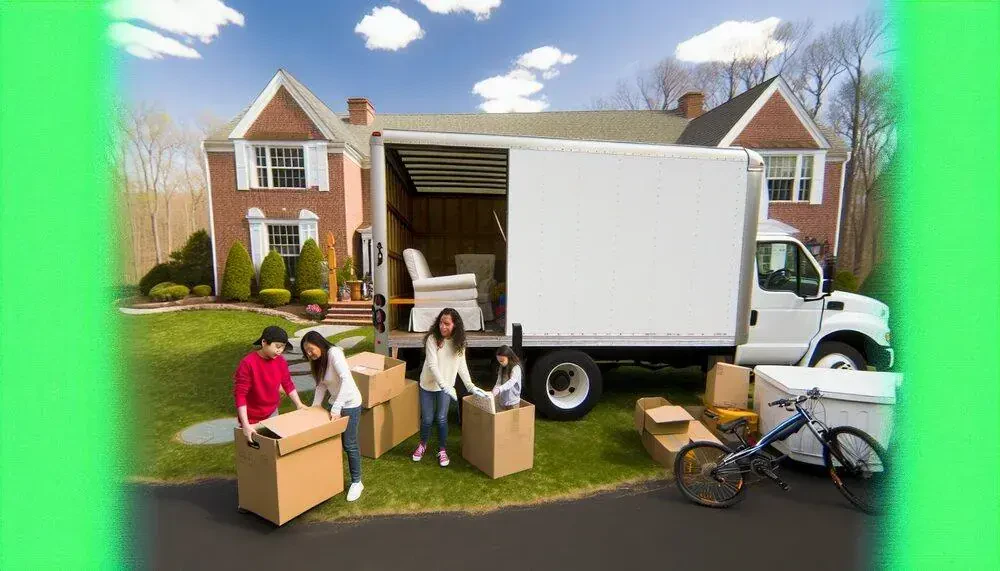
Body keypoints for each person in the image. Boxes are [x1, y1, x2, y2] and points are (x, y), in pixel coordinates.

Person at [412, 308, 487, 467]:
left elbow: (462, 366)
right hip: (428, 385)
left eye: (446, 323)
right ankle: (422, 444)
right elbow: (432, 365)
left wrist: (470, 386)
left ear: (455, 325)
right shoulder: (433, 339)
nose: (442, 327)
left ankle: (442, 449)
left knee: (441, 418)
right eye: (440, 322)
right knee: (427, 419)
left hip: (446, 388)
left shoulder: (459, 343)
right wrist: (444, 385)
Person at [300, 330, 365, 502]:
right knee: (333, 443)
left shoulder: (334, 353)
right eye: (306, 351)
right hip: (334, 403)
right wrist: (315, 406)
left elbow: (346, 380)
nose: (309, 353)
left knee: (349, 444)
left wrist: (336, 407)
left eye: (310, 349)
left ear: (319, 343)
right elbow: (321, 386)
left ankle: (357, 482)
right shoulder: (319, 361)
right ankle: (331, 479)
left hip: (350, 404)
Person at [233, 325, 307, 444]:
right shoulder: (247, 363)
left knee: (275, 450)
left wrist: (299, 404)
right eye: (277, 346)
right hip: (251, 417)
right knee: (255, 452)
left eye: (283, 347)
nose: (280, 350)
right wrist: (246, 424)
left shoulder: (281, 361)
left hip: (272, 412)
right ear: (264, 342)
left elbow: (288, 384)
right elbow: (240, 395)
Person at [492, 345, 523, 411]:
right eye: (499, 361)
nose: (500, 363)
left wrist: (499, 389)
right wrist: (495, 388)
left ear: (509, 357)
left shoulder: (516, 368)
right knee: (502, 419)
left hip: (513, 401)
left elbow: (511, 382)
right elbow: (499, 380)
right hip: (503, 399)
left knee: (514, 420)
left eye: (502, 361)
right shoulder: (502, 367)